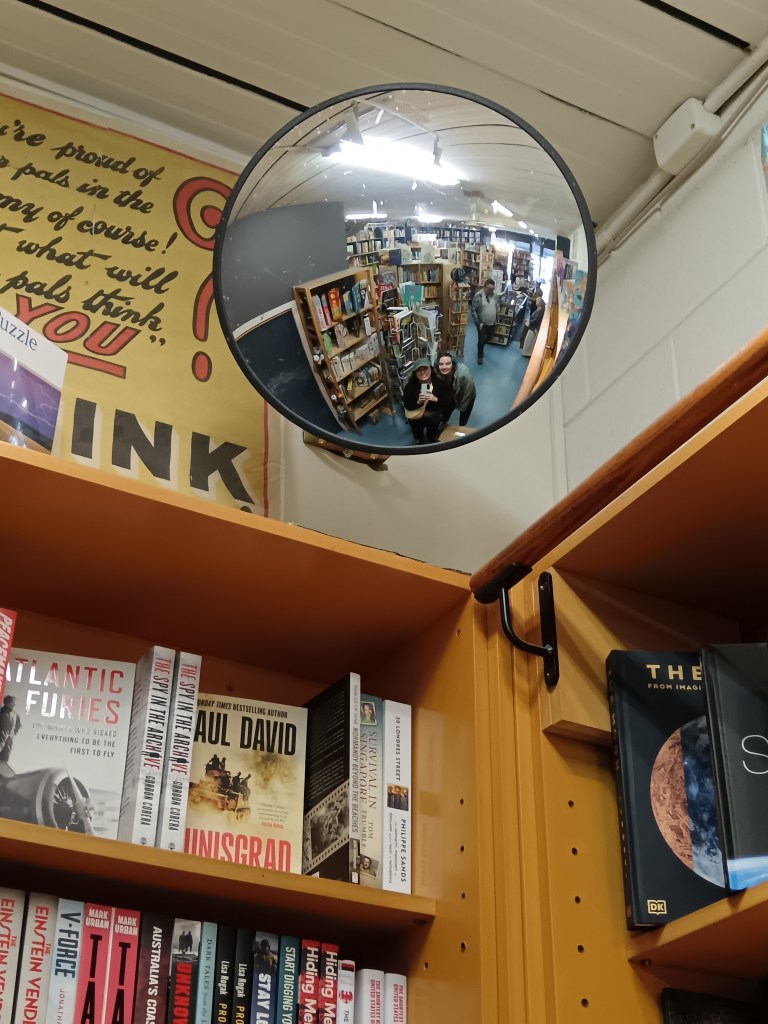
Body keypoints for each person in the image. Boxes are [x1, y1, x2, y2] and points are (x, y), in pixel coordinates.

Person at [402, 358, 453, 444]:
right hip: (416, 418)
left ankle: (431, 437)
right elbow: (407, 405)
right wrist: (418, 402)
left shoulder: (441, 384)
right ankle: (420, 440)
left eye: (425, 368)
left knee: (432, 433)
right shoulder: (410, 387)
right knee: (418, 434)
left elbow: (448, 402)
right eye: (419, 370)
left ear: (431, 369)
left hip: (433, 417)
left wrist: (436, 399)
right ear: (415, 373)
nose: (422, 372)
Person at [434, 351, 476, 426]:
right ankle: (443, 422)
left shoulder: (463, 374)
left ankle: (461, 428)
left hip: (466, 395)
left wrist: (461, 407)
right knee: (446, 411)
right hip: (451, 393)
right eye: (441, 364)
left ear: (452, 364)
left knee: (464, 415)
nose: (444, 367)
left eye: (447, 364)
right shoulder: (437, 370)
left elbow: (468, 393)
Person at [470, 278, 501, 364]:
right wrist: (478, 323)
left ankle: (483, 343)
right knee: (481, 339)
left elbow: (497, 307)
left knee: (489, 338)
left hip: (492, 323)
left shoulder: (495, 295)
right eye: (490, 289)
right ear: (485, 287)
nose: (492, 291)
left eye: (493, 289)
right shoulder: (478, 296)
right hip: (482, 324)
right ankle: (480, 356)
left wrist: (497, 319)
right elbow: (473, 310)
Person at [0, 695, 21, 764]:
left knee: (6, 754)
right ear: (7, 702)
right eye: (13, 702)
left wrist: (14, 733)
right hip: (1, 735)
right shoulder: (1, 711)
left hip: (9, 738)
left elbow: (18, 724)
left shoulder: (15, 714)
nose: (14, 704)